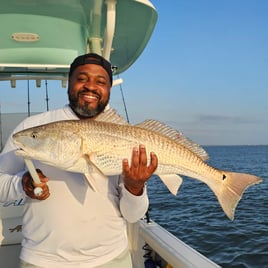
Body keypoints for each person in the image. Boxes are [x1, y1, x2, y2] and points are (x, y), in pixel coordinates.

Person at [0, 53, 158, 268]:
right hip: (42, 261)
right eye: (82, 78)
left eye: (101, 81)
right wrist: (22, 184)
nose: (90, 86)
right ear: (70, 82)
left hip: (112, 259)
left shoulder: (126, 136)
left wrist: (135, 187)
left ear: (109, 89)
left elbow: (133, 216)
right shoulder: (33, 128)